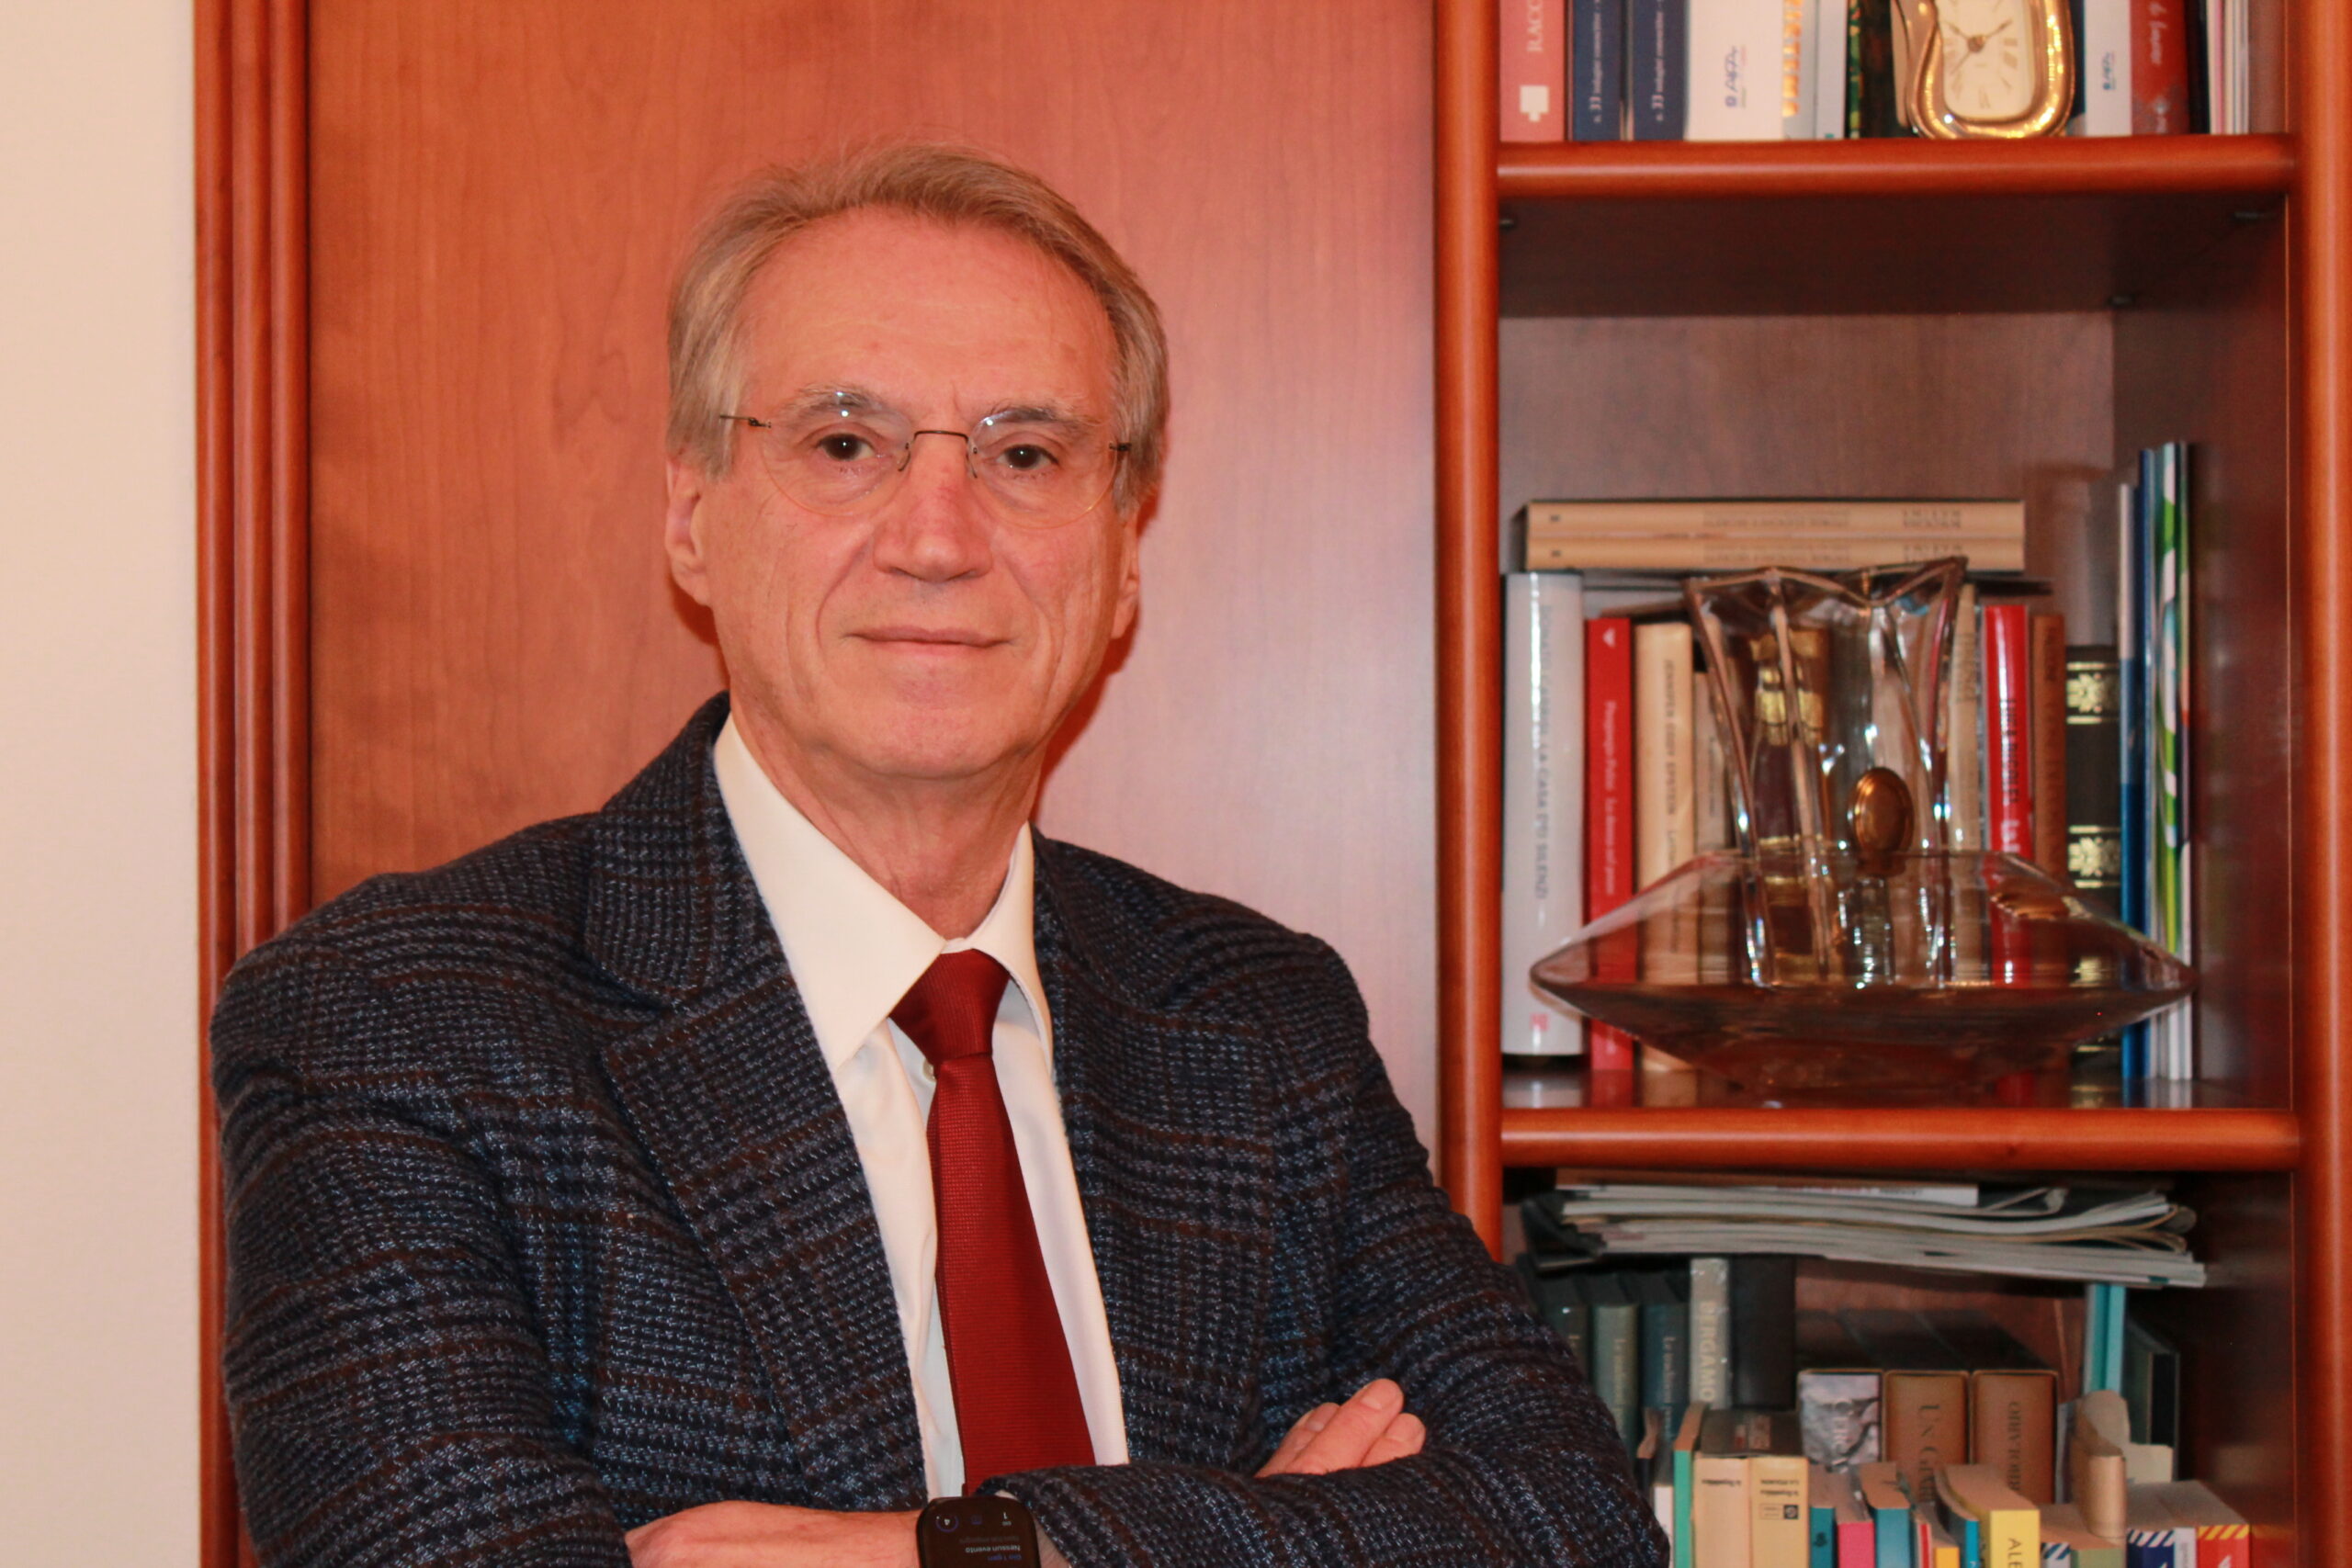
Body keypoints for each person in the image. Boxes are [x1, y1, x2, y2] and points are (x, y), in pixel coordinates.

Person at [212, 143, 1664, 1568]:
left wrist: (990, 1553)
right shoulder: (392, 1023)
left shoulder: (1259, 1017)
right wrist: (1264, 1534)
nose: (937, 536)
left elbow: (1575, 1521)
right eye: (845, 444)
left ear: (1125, 552)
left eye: (1025, 455)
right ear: (691, 517)